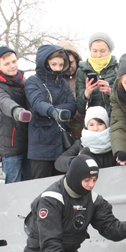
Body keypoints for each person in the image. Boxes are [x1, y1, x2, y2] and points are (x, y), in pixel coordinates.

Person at [25, 44, 77, 180]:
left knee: (62, 185)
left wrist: (52, 109)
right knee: (41, 186)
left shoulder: (63, 83)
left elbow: (72, 106)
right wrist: (53, 111)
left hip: (61, 143)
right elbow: (37, 103)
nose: (58, 69)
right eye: (54, 64)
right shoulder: (33, 82)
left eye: (61, 65)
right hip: (41, 145)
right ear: (45, 63)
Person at [0, 46, 33, 184]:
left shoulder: (22, 81)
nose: (12, 66)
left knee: (30, 184)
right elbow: (3, 102)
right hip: (11, 146)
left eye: (14, 61)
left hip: (29, 143)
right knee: (14, 186)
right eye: (7, 63)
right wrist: (17, 111)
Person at [55, 106, 117, 172]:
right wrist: (77, 162)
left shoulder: (115, 142)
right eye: (91, 125)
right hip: (88, 181)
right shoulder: (80, 144)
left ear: (106, 125)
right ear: (86, 126)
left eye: (100, 124)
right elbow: (59, 162)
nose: (95, 128)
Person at [76, 33, 118, 118]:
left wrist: (111, 92)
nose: (98, 55)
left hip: (115, 121)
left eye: (102, 51)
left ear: (109, 50)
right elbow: (80, 109)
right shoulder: (81, 71)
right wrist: (86, 93)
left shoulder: (118, 68)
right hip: (93, 123)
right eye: (94, 51)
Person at [57, 39, 86, 140]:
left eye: (71, 62)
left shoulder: (84, 76)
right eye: (65, 63)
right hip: (64, 130)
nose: (69, 66)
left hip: (84, 128)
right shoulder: (56, 80)